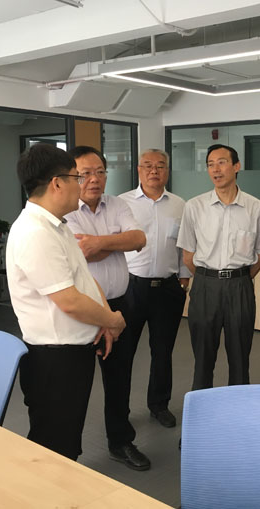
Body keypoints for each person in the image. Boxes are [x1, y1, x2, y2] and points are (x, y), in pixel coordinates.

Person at [6, 144, 125, 461]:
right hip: (54, 361)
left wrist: (103, 318)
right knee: (54, 447)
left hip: (73, 354)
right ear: (57, 183)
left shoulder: (58, 226)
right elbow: (69, 301)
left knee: (67, 438)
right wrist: (113, 320)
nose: (82, 185)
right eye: (77, 177)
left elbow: (84, 279)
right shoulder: (35, 233)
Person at [64, 146, 150, 471]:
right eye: (85, 173)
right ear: (71, 176)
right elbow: (80, 252)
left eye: (100, 172)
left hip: (119, 306)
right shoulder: (66, 212)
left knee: (119, 378)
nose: (94, 179)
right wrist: (117, 242)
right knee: (77, 383)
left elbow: (139, 239)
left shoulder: (118, 205)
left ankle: (121, 441)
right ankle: (68, 453)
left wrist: (99, 243)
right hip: (83, 310)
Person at [177, 144, 260, 390]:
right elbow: (188, 255)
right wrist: (209, 278)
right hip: (204, 286)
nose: (215, 169)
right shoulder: (194, 206)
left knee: (240, 358)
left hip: (240, 287)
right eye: (210, 164)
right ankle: (202, 408)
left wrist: (238, 278)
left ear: (236, 166)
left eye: (221, 162)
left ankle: (237, 409)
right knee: (203, 358)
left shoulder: (255, 207)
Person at [118, 149, 191, 429]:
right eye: (147, 166)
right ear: (139, 170)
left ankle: (159, 404)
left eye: (160, 166)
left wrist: (184, 277)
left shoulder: (179, 205)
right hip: (131, 288)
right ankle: (120, 409)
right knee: (124, 353)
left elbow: (183, 245)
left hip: (168, 289)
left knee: (163, 351)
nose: (154, 171)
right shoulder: (122, 203)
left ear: (167, 171)